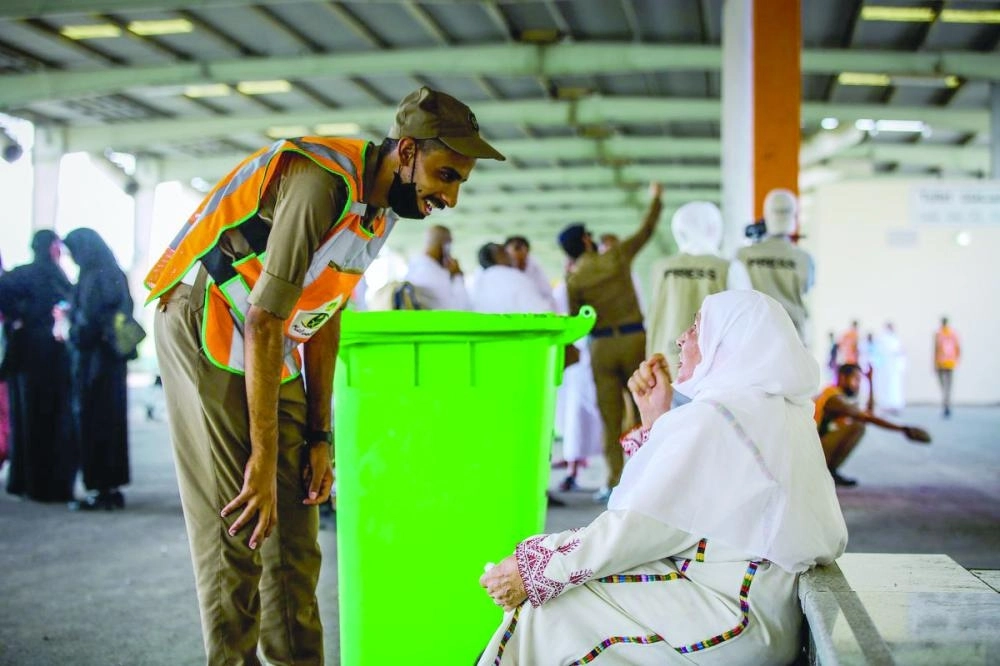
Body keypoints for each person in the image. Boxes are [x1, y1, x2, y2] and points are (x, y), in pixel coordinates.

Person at [144, 86, 504, 664]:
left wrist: (319, 437)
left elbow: (325, 310)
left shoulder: (381, 207)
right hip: (209, 317)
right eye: (446, 174)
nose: (451, 197)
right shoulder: (323, 182)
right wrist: (261, 461)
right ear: (406, 152)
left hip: (269, 334)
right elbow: (264, 318)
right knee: (238, 522)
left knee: (296, 528)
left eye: (459, 181)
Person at [477, 290, 848, 665]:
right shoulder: (774, 414)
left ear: (727, 341)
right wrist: (657, 420)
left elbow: (640, 526)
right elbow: (693, 503)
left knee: (545, 608)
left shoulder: (717, 417)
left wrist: (535, 570)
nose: (681, 338)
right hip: (760, 613)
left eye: (697, 326)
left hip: (728, 616)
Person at [559, 183, 664, 502]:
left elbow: (578, 320)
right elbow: (646, 231)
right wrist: (656, 199)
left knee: (610, 417)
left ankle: (615, 481)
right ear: (587, 240)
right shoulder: (616, 257)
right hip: (634, 339)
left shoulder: (574, 281)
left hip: (601, 347)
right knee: (648, 406)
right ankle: (655, 475)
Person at [0, 230, 76, 503]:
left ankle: (27, 482)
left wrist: (18, 318)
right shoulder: (57, 275)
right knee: (53, 419)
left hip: (27, 358)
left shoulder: (22, 274)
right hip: (52, 357)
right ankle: (49, 484)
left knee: (28, 418)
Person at [62, 229, 133, 511]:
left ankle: (100, 489)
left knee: (93, 423)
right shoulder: (116, 273)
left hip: (94, 365)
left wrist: (70, 324)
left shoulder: (92, 277)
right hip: (113, 363)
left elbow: (88, 325)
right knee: (112, 425)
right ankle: (111, 488)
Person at [646, 201, 751, 377]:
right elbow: (746, 322)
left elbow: (651, 318)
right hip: (714, 373)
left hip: (665, 370)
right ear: (714, 228)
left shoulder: (660, 268)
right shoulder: (729, 268)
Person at [814, 363, 930, 487]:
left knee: (858, 424)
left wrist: (870, 382)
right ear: (842, 378)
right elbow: (867, 418)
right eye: (856, 379)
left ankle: (829, 471)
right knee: (857, 427)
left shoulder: (838, 395)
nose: (858, 385)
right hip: (814, 447)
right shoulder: (834, 399)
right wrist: (902, 429)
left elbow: (868, 414)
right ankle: (828, 471)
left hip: (818, 443)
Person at [736, 188, 814, 343]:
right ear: (794, 216)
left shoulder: (743, 255)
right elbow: (806, 287)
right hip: (793, 337)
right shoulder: (804, 258)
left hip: (753, 336)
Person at [470, 242, 551, 314]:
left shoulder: (476, 282)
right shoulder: (515, 277)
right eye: (504, 252)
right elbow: (541, 312)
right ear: (498, 257)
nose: (509, 255)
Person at [404, 224, 471, 310]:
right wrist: (457, 276)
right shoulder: (433, 273)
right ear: (446, 245)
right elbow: (461, 308)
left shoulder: (416, 265)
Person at [504, 235, 558, 311]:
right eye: (516, 248)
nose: (518, 253)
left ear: (527, 250)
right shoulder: (504, 273)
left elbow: (547, 296)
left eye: (519, 248)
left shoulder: (536, 270)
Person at [874, 321, 906, 414]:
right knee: (885, 387)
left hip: (894, 368)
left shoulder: (896, 339)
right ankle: (885, 405)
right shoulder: (882, 339)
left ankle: (895, 405)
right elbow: (879, 354)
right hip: (885, 369)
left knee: (895, 387)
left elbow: (901, 352)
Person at [934, 317, 960, 418]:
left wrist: (934, 363)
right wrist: (956, 360)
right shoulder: (953, 333)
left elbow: (935, 349)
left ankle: (945, 404)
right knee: (948, 386)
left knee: (943, 386)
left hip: (941, 362)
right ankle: (947, 404)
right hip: (950, 362)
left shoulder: (938, 334)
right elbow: (958, 348)